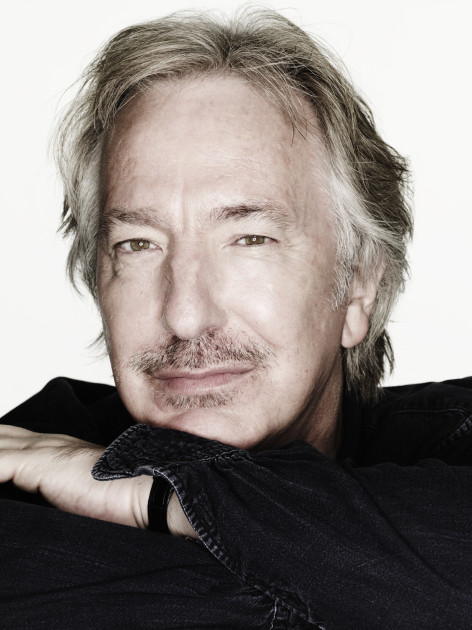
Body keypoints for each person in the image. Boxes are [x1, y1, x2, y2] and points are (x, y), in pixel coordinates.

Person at [1, 8, 471, 629]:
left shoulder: (451, 444)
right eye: (138, 245)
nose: (185, 315)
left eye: (250, 239)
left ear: (358, 284)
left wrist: (156, 496)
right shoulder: (21, 480)